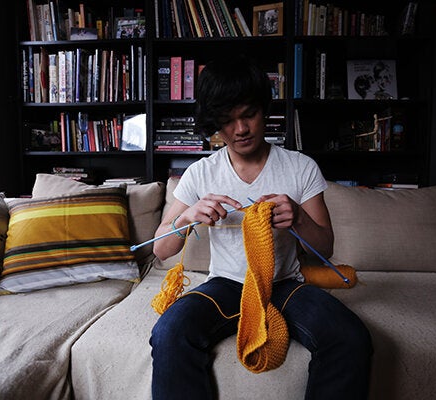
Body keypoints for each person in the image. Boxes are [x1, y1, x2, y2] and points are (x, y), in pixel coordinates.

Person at [149, 56, 372, 399]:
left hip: (284, 284)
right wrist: (186, 218)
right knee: (169, 332)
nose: (240, 129)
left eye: (248, 114)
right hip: (225, 286)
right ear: (214, 123)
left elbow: (325, 248)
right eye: (227, 120)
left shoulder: (300, 168)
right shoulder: (200, 173)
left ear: (265, 110)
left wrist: (297, 217)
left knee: (350, 336)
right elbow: (161, 250)